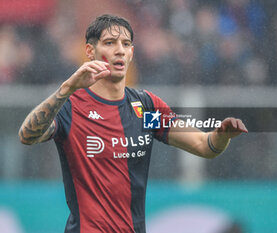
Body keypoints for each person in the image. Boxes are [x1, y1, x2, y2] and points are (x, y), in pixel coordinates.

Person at [18, 14, 248, 233]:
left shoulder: (145, 108)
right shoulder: (71, 107)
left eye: (126, 44)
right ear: (90, 51)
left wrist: (221, 135)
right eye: (109, 43)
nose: (119, 50)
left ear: (131, 53)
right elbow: (27, 135)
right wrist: (67, 88)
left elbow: (203, 145)